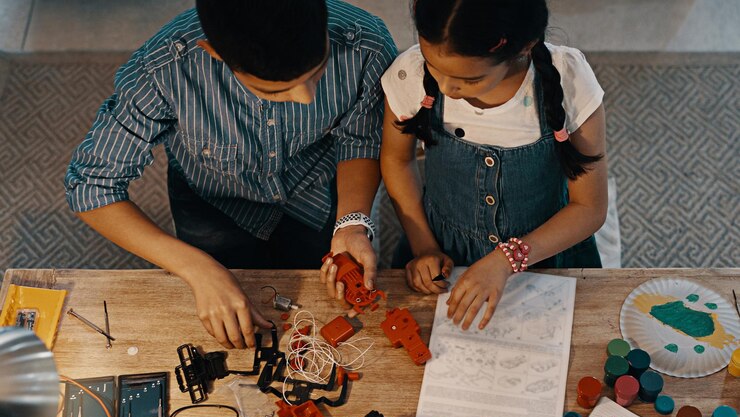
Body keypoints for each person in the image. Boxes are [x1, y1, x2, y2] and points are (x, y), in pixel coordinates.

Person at [64, 0, 397, 349]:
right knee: (224, 298)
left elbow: (360, 139)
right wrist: (198, 270)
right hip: (213, 206)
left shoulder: (366, 44)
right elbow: (91, 186)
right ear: (214, 52)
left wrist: (352, 221)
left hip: (322, 193)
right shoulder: (164, 69)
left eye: (318, 71)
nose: (305, 97)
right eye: (275, 90)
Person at [380, 0, 608, 331]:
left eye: (468, 79)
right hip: (442, 243)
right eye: (433, 66)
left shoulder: (569, 80)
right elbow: (397, 160)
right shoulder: (410, 72)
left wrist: (506, 259)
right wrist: (424, 246)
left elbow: (589, 207)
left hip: (544, 248)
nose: (445, 87)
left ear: (523, 47)